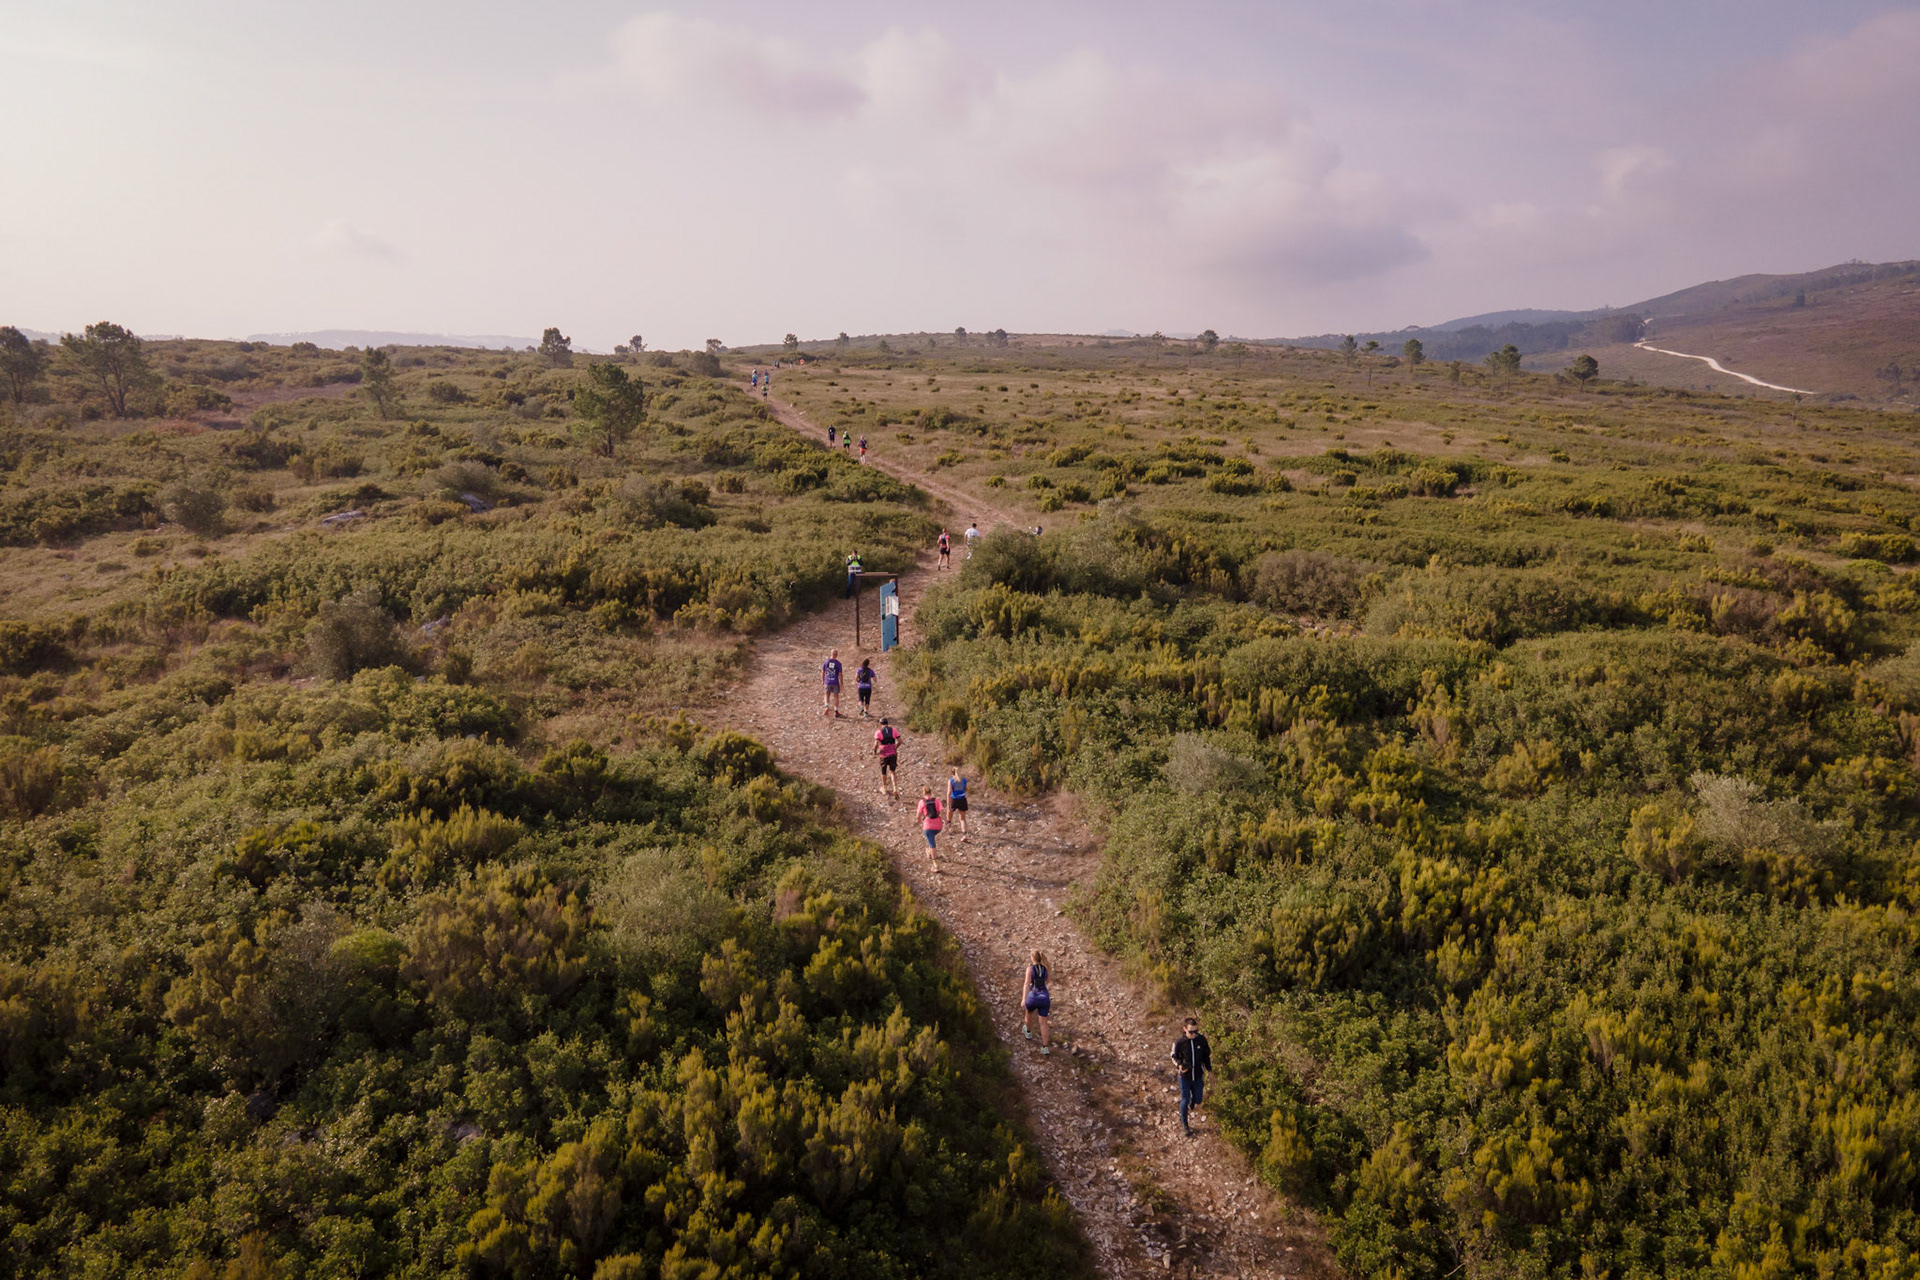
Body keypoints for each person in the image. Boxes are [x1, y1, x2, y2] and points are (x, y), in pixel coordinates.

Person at [1170, 1017, 1213, 1136]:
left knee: (1198, 1098)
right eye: (1191, 1032)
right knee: (1185, 1099)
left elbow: (1206, 1056)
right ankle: (1185, 1125)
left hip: (1198, 1076)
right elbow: (1173, 1056)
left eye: (1196, 1031)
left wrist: (1210, 1070)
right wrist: (1179, 1066)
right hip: (1184, 1077)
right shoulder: (1179, 1042)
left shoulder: (1202, 1040)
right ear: (1184, 1029)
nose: (1194, 1034)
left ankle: (1193, 1101)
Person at [1021, 951, 1052, 1055]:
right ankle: (1045, 1047)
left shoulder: (1030, 969)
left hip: (1033, 995)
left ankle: (1028, 1032)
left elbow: (1026, 984)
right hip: (1044, 997)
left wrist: (1024, 999)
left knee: (1028, 1012)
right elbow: (1047, 980)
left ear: (1032, 958)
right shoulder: (1045, 968)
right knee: (1044, 1023)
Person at [917, 785, 943, 874]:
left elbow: (918, 815)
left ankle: (935, 865)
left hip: (928, 825)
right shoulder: (936, 800)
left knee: (932, 844)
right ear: (930, 792)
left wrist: (919, 821)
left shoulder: (922, 802)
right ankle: (929, 852)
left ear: (923, 793)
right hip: (938, 826)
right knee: (931, 839)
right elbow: (940, 811)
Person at [873, 718, 901, 797]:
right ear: (887, 723)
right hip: (893, 753)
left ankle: (884, 787)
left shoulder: (878, 732)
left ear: (880, 724)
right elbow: (900, 741)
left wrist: (875, 752)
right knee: (892, 771)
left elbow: (876, 744)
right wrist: (895, 747)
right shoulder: (894, 730)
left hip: (884, 753)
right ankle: (895, 788)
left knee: (883, 771)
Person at [946, 769, 970, 842]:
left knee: (949, 811)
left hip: (954, 799)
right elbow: (965, 789)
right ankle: (964, 834)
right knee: (962, 819)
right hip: (962, 799)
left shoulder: (951, 781)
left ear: (952, 773)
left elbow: (949, 792)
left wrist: (948, 804)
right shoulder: (964, 780)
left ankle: (948, 824)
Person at [821, 648, 843, 719]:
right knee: (836, 696)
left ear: (831, 654)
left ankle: (826, 706)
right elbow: (840, 674)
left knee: (827, 694)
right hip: (835, 681)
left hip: (827, 681)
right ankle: (836, 711)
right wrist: (841, 682)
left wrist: (823, 680)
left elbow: (823, 672)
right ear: (836, 655)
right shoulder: (838, 664)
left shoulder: (826, 662)